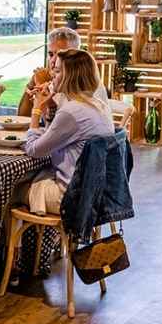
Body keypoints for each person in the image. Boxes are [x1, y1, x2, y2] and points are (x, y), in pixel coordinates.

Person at [22, 48, 115, 216]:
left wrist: (37, 109)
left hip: (71, 198)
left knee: (11, 189)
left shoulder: (71, 111)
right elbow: (55, 137)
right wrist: (50, 107)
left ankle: (11, 242)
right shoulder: (96, 104)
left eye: (57, 71)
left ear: (69, 76)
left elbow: (34, 150)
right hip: (96, 194)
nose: (52, 76)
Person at [18, 26, 109, 117]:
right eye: (50, 54)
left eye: (61, 55)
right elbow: (22, 117)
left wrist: (43, 86)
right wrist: (31, 84)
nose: (53, 60)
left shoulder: (87, 83)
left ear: (75, 56)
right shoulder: (54, 79)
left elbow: (63, 123)